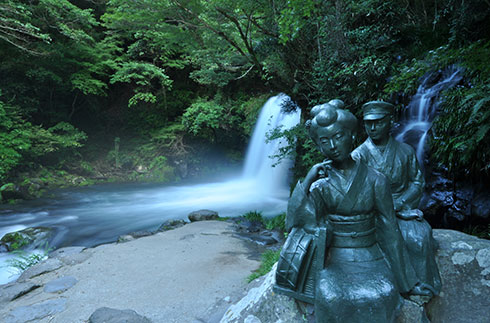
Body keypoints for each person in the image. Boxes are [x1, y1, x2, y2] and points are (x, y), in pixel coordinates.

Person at [275, 103, 421, 322]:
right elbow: (298, 222)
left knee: (383, 292)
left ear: (352, 136)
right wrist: (307, 180)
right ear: (318, 145)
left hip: (370, 253)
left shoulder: (376, 180)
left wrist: (404, 278)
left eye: (338, 136)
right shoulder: (320, 184)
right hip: (336, 256)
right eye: (324, 141)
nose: (333, 146)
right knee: (330, 295)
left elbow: (389, 227)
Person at [351, 101, 441, 297]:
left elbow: (417, 182)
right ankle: (405, 286)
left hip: (402, 207)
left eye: (378, 122)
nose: (372, 128)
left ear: (389, 123)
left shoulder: (406, 151)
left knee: (420, 236)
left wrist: (401, 203)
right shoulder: (358, 155)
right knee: (393, 238)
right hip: (374, 212)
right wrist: (382, 207)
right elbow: (355, 192)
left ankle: (425, 286)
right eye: (368, 123)